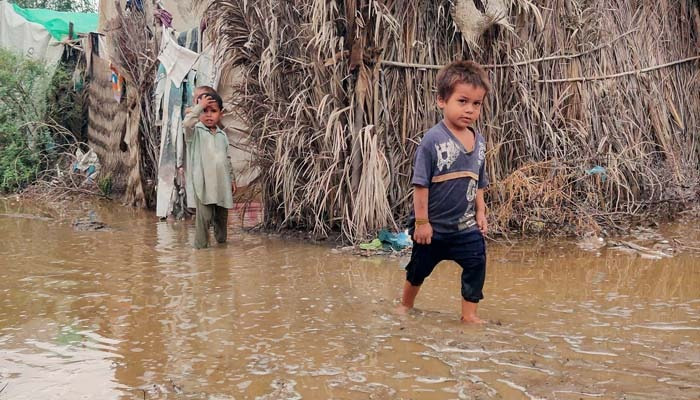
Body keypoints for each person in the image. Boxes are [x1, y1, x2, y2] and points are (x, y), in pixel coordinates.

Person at [397, 60, 491, 324]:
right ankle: (405, 305)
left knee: (476, 263)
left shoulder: (479, 142)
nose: (470, 110)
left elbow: (479, 181)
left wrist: (481, 212)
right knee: (418, 269)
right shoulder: (432, 140)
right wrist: (422, 223)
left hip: (465, 227)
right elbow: (420, 185)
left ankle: (469, 315)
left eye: (476, 104)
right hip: (433, 229)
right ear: (441, 101)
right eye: (462, 101)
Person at [183, 89, 236, 249]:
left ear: (221, 113)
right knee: (204, 219)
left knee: (221, 220)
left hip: (222, 184)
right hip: (203, 184)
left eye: (213, 111)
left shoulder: (222, 135)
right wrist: (199, 106)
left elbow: (227, 159)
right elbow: (186, 122)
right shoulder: (195, 132)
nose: (208, 115)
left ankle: (222, 248)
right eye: (204, 111)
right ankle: (201, 249)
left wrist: (232, 178)